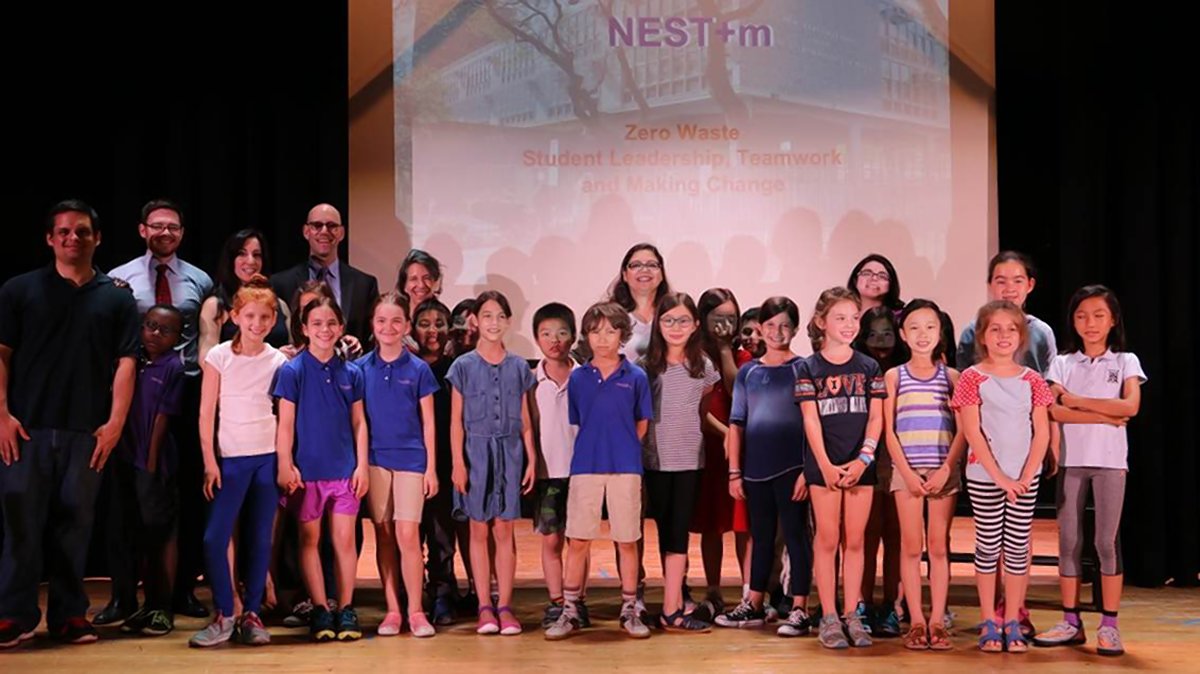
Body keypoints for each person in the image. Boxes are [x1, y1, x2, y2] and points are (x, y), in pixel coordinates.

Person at [0, 200, 139, 649]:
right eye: (63, 232)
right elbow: (1, 355)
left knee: (75, 524)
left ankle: (69, 615)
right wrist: (1, 415)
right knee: (21, 523)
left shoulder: (116, 297)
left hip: (88, 431)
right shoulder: (19, 290)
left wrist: (116, 423)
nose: (72, 239)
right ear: (49, 239)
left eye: (82, 232)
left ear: (97, 238)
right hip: (26, 429)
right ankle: (14, 615)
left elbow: (125, 363)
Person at [106, 198, 214, 621]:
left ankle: (181, 590)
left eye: (172, 227)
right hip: (132, 395)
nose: (165, 233)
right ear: (142, 230)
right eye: (157, 226)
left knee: (183, 500)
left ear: (182, 233)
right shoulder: (119, 278)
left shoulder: (200, 280)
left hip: (185, 394)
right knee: (124, 501)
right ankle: (121, 596)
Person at [1034, 286, 1144, 657]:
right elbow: (1054, 410)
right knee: (1069, 541)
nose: (1090, 323)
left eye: (1098, 315)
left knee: (1105, 542)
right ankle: (1071, 621)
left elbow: (1131, 406)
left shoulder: (1126, 360)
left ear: (1113, 319)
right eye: (1082, 316)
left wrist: (1079, 401)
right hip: (1072, 460)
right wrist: (1104, 413)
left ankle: (1109, 625)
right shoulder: (1063, 363)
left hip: (1111, 462)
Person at [189, 276, 289, 647]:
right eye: (250, 315)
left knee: (261, 537)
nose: (257, 324)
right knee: (215, 537)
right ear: (234, 316)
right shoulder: (219, 357)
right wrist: (209, 462)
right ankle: (224, 612)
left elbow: (284, 413)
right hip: (230, 460)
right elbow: (205, 414)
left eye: (265, 317)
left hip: (265, 457)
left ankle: (251, 613)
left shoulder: (277, 359)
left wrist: (283, 461)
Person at [544, 302, 653, 641]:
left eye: (610, 330)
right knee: (577, 539)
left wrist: (621, 448)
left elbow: (641, 423)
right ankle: (572, 608)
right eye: (595, 331)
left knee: (627, 540)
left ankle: (630, 607)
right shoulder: (579, 378)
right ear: (586, 335)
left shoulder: (635, 376)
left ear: (622, 334)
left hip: (625, 468)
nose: (603, 338)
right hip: (586, 467)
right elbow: (577, 421)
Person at [951, 301, 1053, 654]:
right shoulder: (972, 378)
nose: (1003, 335)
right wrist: (1000, 477)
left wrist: (1025, 474)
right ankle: (989, 620)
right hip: (986, 475)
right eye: (995, 329)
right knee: (988, 545)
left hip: (1025, 477)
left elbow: (1041, 432)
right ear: (982, 336)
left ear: (1021, 335)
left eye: (1011, 329)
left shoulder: (1033, 381)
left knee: (1017, 547)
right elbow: (973, 432)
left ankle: (1012, 619)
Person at [274, 296, 369, 642]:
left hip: (344, 471)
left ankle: (345, 608)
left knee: (344, 540)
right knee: (309, 539)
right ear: (304, 329)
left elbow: (359, 422)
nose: (324, 330)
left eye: (331, 323)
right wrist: (286, 464)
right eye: (316, 324)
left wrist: (362, 466)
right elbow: (284, 425)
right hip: (307, 474)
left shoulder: (352, 373)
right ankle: (319, 608)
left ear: (341, 328)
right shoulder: (292, 371)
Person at [717, 297, 813, 638]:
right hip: (756, 470)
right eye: (770, 325)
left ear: (796, 329)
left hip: (793, 470)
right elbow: (737, 424)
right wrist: (734, 472)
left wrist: (807, 471)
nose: (777, 331)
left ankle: (799, 606)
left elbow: (811, 425)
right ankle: (753, 602)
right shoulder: (749, 373)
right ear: (760, 329)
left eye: (785, 325)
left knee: (796, 537)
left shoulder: (804, 368)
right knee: (759, 538)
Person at [797, 287, 886, 650]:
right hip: (825, 469)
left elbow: (877, 418)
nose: (849, 325)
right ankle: (830, 616)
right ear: (821, 322)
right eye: (840, 318)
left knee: (855, 540)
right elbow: (811, 421)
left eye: (854, 318)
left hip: (859, 465)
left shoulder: (869, 367)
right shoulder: (808, 367)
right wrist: (826, 466)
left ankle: (853, 614)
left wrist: (863, 459)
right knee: (828, 538)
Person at [448, 291, 537, 636]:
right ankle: (484, 604)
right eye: (487, 315)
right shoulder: (462, 366)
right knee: (478, 528)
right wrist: (458, 461)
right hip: (475, 453)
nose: (493, 323)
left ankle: (505, 605)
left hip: (510, 453)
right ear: (475, 320)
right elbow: (455, 421)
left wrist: (530, 459)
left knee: (504, 529)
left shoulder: (518, 367)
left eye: (500, 316)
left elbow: (525, 418)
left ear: (509, 321)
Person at [882, 300, 966, 651]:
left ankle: (937, 620)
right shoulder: (894, 376)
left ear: (940, 332)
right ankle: (916, 619)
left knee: (938, 546)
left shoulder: (952, 378)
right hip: (907, 473)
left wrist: (947, 468)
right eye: (914, 327)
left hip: (942, 470)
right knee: (911, 546)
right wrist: (906, 472)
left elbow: (963, 431)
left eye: (930, 327)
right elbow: (889, 431)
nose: (922, 334)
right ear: (903, 334)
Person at [357, 292, 440, 638]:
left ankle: (416, 611)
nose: (388, 328)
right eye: (381, 321)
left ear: (406, 325)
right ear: (373, 325)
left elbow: (429, 422)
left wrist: (431, 467)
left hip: (411, 461)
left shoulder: (419, 369)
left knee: (408, 534)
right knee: (385, 534)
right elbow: (358, 422)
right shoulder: (360, 369)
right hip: (376, 460)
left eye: (395, 321)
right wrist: (361, 465)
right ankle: (393, 609)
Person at [640, 292, 720, 631]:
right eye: (669, 320)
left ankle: (672, 608)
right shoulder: (647, 366)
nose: (676, 327)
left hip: (690, 460)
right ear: (658, 324)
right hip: (655, 461)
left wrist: (728, 433)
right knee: (665, 531)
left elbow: (701, 408)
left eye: (683, 320)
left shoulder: (703, 365)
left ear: (696, 324)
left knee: (680, 532)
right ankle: (670, 605)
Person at [108, 305, 186, 638]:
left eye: (164, 330)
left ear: (177, 337)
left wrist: (151, 463)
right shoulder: (132, 362)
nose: (154, 333)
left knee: (160, 534)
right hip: (123, 458)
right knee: (130, 532)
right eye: (150, 326)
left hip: (153, 462)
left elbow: (163, 418)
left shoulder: (173, 368)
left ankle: (161, 606)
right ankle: (136, 603)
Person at [528, 302, 591, 629]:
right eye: (547, 333)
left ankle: (576, 600)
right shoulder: (531, 380)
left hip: (582, 473)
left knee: (579, 540)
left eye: (562, 333)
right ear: (536, 338)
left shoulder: (586, 375)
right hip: (547, 474)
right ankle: (556, 601)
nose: (555, 340)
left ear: (574, 337)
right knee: (551, 540)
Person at [270, 203, 380, 346]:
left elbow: (373, 338)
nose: (324, 231)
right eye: (317, 225)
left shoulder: (365, 285)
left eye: (331, 226)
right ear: (306, 231)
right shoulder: (280, 284)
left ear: (341, 233)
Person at [608, 243, 671, 362]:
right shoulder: (609, 316)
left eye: (652, 265)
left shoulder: (674, 313)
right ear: (625, 275)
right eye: (636, 265)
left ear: (662, 274)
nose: (644, 270)